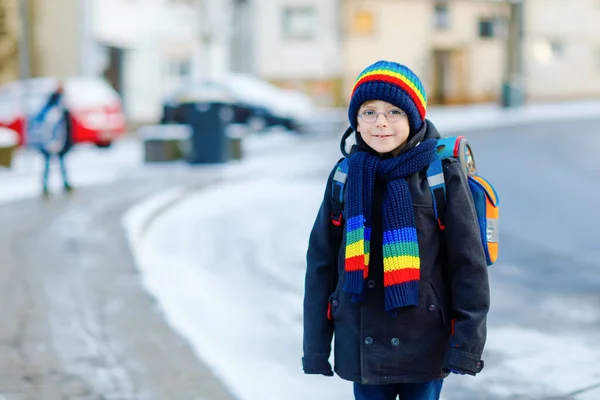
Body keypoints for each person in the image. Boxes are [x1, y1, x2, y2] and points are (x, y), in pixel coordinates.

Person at [302, 60, 490, 400]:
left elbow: (468, 265)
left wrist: (467, 342)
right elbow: (321, 264)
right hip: (362, 341)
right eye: (368, 112)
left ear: (414, 118)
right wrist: (316, 347)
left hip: (425, 341)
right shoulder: (345, 176)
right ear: (355, 121)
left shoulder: (439, 174)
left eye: (394, 112)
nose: (381, 123)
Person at [32, 82, 74, 195]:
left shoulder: (54, 104)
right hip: (53, 141)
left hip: (53, 141)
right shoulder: (58, 105)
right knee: (55, 164)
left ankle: (53, 185)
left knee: (53, 165)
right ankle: (52, 185)